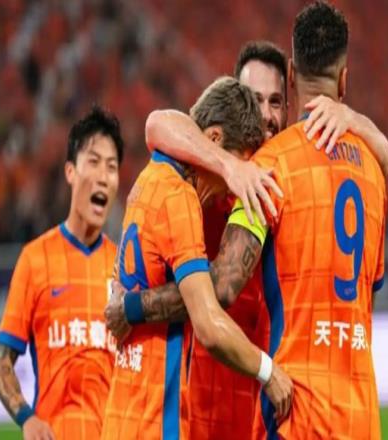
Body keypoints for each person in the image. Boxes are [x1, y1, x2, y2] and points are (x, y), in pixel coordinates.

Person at [111, 2, 388, 438]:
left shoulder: (273, 172)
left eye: (275, 101)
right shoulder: (211, 176)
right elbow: (159, 124)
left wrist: (355, 120)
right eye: (253, 100)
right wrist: (228, 165)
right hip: (216, 412)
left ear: (292, 83)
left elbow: (222, 285)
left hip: (279, 407)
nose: (264, 114)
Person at [101, 77, 292, 440]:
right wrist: (270, 373)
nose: (228, 190)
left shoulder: (147, 179)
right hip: (156, 420)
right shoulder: (181, 198)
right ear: (215, 140)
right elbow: (209, 324)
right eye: (234, 173)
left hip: (123, 413)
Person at [0, 106, 123, 440]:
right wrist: (27, 418)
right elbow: (1, 364)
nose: (103, 176)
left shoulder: (124, 268)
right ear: (70, 172)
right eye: (94, 162)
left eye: (112, 167)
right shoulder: (35, 259)